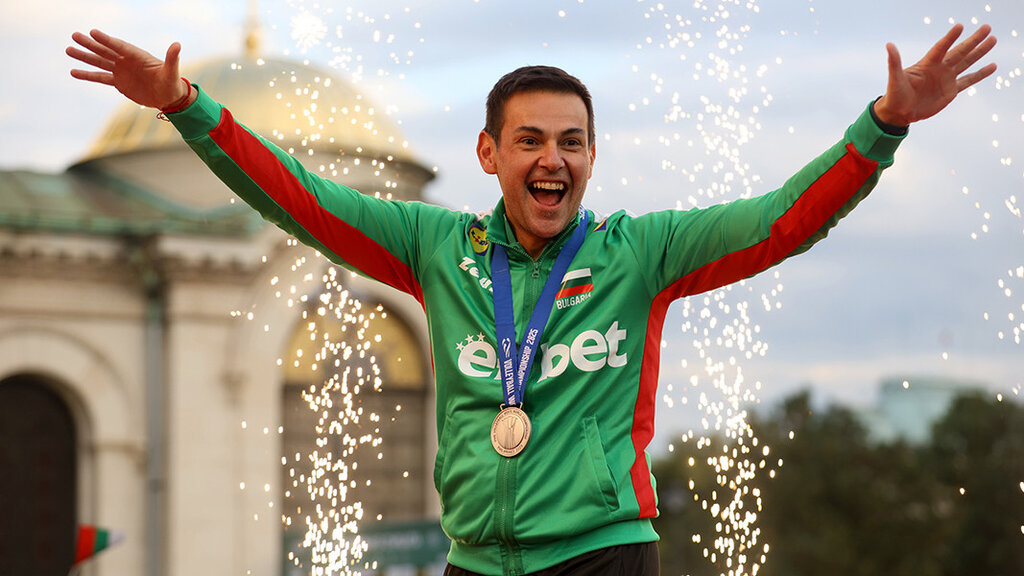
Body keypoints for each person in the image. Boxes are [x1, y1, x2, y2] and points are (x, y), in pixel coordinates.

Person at [68, 23, 996, 576]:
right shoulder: (436, 248)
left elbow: (781, 221)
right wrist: (187, 106)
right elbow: (300, 199)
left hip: (603, 554)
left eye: (572, 142)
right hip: (474, 561)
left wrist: (883, 127)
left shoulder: (640, 253)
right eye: (530, 140)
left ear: (591, 156)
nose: (553, 158)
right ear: (489, 154)